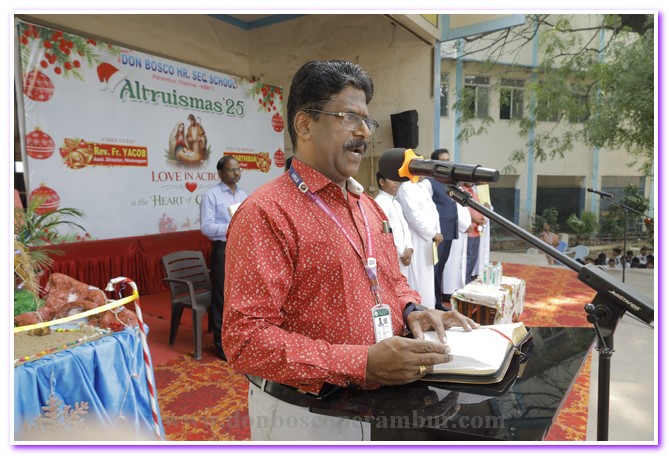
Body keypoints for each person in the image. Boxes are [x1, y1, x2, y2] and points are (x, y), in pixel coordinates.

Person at [221, 60, 477, 441]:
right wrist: (361, 362)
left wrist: (413, 310)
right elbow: (245, 340)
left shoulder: (368, 208)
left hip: (382, 402)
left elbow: (390, 281)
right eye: (349, 117)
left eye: (366, 120)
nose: (364, 132)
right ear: (304, 124)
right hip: (305, 415)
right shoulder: (267, 212)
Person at [200, 156, 248, 360]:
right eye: (231, 170)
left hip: (243, 249)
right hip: (224, 249)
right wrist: (232, 226)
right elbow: (206, 227)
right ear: (220, 173)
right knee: (222, 297)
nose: (236, 173)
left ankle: (240, 338)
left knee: (241, 296)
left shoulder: (243, 195)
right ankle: (222, 345)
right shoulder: (211, 195)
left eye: (238, 169)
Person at [396, 175, 443, 309]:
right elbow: (414, 217)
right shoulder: (405, 188)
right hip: (417, 240)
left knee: (428, 280)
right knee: (419, 279)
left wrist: (437, 232)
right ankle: (421, 311)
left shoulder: (422, 186)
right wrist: (433, 234)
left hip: (429, 240)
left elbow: (434, 211)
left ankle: (430, 308)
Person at [426, 148, 458, 309]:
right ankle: (435, 302)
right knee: (436, 268)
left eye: (448, 160)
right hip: (438, 232)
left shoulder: (449, 180)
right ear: (435, 163)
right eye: (442, 160)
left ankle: (438, 299)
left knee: (442, 266)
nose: (446, 163)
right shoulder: (429, 181)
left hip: (450, 229)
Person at [374, 171, 415, 280]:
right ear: (382, 182)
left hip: (404, 255)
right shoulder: (379, 203)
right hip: (393, 257)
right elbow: (384, 234)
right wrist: (401, 254)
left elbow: (405, 228)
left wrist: (409, 248)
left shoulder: (396, 203)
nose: (397, 183)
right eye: (392, 179)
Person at [462, 183, 485, 282]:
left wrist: (483, 218)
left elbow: (479, 208)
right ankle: (465, 280)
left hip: (477, 230)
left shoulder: (474, 192)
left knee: (474, 257)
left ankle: (468, 278)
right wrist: (477, 220)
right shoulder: (462, 191)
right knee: (469, 257)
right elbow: (466, 211)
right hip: (470, 230)